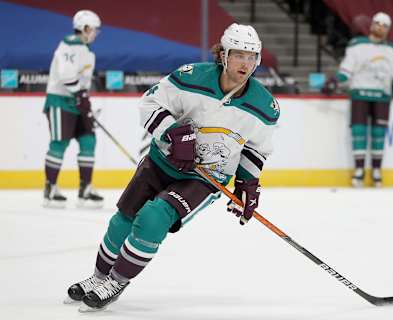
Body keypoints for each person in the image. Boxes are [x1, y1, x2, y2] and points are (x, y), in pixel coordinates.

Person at [65, 23, 280, 312]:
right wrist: (173, 133)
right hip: (161, 161)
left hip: (206, 179)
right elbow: (150, 103)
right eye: (239, 55)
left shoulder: (265, 105)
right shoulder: (191, 77)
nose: (246, 63)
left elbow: (256, 149)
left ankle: (116, 281)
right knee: (122, 220)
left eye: (252, 56)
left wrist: (247, 185)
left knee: (153, 218)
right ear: (224, 55)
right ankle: (98, 277)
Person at [323, 12, 393, 188]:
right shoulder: (357, 46)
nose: (381, 27)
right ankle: (359, 171)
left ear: (388, 29)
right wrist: (333, 81)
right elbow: (346, 72)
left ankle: (377, 171)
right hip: (359, 94)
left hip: (382, 96)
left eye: (385, 25)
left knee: (379, 135)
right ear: (372, 25)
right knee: (358, 132)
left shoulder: (391, 50)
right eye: (378, 23)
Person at [43, 10, 104, 208]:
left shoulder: (86, 50)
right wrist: (79, 94)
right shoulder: (70, 44)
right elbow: (66, 74)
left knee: (88, 140)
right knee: (59, 143)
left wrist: (83, 97)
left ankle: (85, 189)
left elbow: (81, 80)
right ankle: (50, 189)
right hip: (61, 100)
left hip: (78, 101)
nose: (96, 33)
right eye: (94, 29)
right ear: (85, 28)